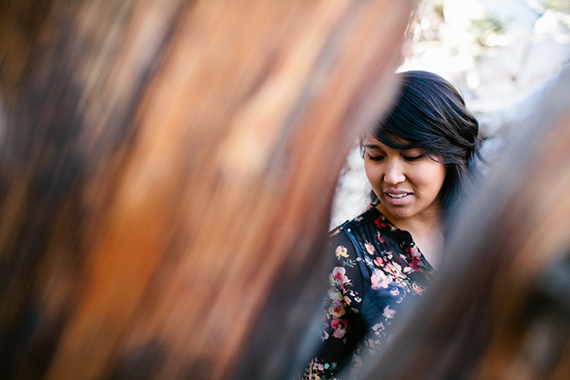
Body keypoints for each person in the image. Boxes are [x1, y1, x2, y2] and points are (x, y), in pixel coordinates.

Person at [298, 70, 481, 379]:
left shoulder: (489, 230)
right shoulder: (343, 254)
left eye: (411, 156)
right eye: (376, 156)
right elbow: (317, 373)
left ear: (452, 153)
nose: (392, 176)